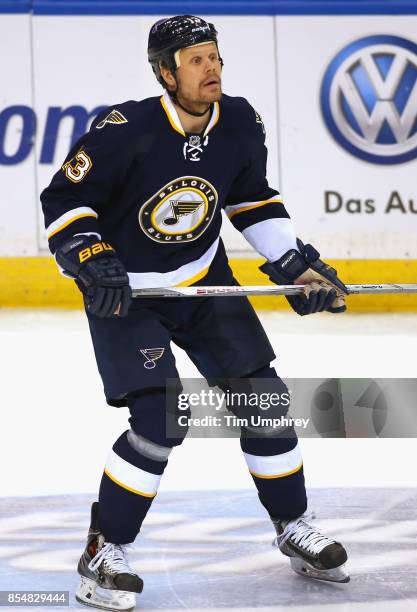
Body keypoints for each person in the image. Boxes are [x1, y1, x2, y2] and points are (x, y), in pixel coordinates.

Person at [41, 15, 350, 611]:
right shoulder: (122, 128)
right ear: (165, 72)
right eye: (196, 60)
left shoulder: (238, 119)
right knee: (161, 419)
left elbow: (251, 198)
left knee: (266, 400)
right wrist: (90, 255)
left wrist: (292, 261)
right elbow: (65, 200)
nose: (212, 69)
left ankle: (292, 525)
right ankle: (103, 550)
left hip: (202, 281)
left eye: (215, 56)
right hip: (126, 294)